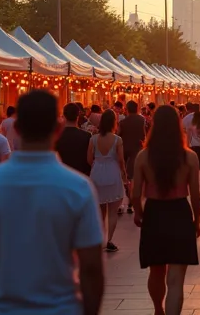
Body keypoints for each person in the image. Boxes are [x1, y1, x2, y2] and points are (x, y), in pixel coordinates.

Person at [0, 90, 105, 315]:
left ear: (16, 129)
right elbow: (91, 266)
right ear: (58, 129)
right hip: (59, 308)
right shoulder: (78, 188)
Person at [131, 104, 200, 315]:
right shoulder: (189, 157)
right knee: (176, 279)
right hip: (180, 213)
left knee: (156, 270)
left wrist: (139, 213)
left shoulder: (143, 156)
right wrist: (196, 221)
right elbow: (195, 196)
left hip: (154, 213)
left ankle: (157, 310)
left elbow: (135, 193)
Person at [88, 109, 127, 252]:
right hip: (112, 172)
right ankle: (109, 239)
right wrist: (124, 174)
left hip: (97, 173)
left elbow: (89, 159)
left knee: (100, 210)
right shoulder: (117, 139)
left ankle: (100, 238)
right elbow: (121, 160)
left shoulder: (93, 139)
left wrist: (97, 165)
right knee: (112, 210)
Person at [119, 100, 147, 215]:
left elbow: (119, 134)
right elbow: (144, 135)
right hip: (137, 150)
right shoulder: (141, 120)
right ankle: (131, 202)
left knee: (125, 175)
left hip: (124, 149)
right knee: (134, 176)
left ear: (127, 109)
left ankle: (127, 195)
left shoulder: (123, 122)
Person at [57, 103, 93, 175]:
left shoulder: (57, 136)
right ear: (78, 116)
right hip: (81, 174)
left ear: (64, 116)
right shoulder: (86, 136)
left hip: (61, 174)